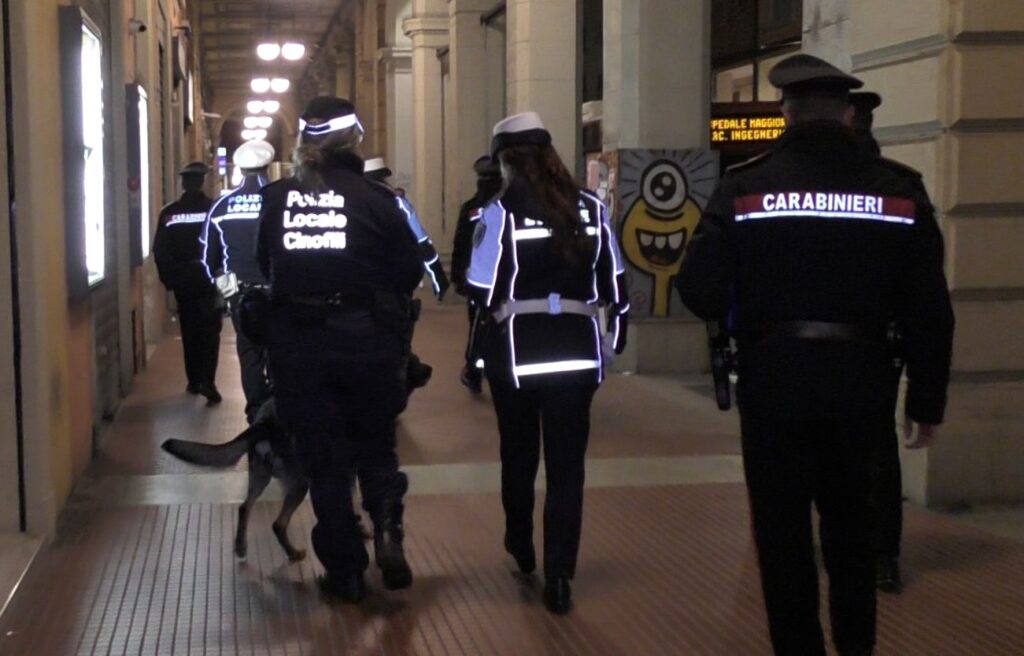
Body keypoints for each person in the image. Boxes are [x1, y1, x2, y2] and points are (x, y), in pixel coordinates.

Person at [676, 54, 954, 656]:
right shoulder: (898, 190)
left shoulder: (746, 186)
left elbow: (696, 289)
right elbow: (930, 304)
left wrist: (745, 303)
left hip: (773, 388)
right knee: (854, 540)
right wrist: (927, 399)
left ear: (786, 113)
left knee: (783, 543)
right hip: (862, 388)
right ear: (849, 113)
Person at [256, 96, 423, 603]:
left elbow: (267, 265)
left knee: (325, 461)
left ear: (305, 143)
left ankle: (346, 570)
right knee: (376, 445)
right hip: (367, 341)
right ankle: (389, 533)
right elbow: (408, 271)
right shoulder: (379, 199)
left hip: (301, 348)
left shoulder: (279, 197)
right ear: (356, 140)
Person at [466, 112, 628, 615]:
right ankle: (560, 575)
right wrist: (614, 337)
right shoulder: (590, 208)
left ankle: (521, 544)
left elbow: (479, 285)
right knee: (566, 467)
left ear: (505, 162)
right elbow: (616, 282)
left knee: (518, 455)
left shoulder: (500, 212)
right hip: (576, 353)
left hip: (516, 352)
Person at [850, 90, 914, 594]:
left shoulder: (777, 181)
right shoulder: (898, 186)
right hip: (877, 347)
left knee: (803, 446)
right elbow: (924, 291)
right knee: (876, 447)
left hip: (799, 349)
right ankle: (882, 555)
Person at [201, 140, 275, 424]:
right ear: (268, 166)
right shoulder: (279, 200)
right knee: (279, 350)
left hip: (241, 294)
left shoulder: (222, 206)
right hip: (278, 291)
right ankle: (278, 408)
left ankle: (256, 412)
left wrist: (224, 287)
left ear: (240, 169)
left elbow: (209, 257)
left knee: (249, 352)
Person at [153, 161, 223, 405]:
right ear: (202, 182)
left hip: (184, 281)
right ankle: (208, 380)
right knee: (211, 332)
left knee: (190, 330)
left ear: (184, 183)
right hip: (209, 279)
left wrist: (171, 279)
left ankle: (194, 380)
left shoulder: (170, 213)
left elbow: (160, 250)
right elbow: (224, 247)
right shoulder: (215, 209)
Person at [364, 157, 450, 301]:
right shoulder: (394, 199)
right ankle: (440, 287)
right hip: (405, 243)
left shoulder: (372, 200)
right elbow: (413, 225)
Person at [451, 155, 503, 393]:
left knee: (477, 323)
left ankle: (474, 370)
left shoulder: (471, 208)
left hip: (477, 278)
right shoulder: (508, 206)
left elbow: (461, 244)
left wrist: (458, 277)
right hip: (506, 279)